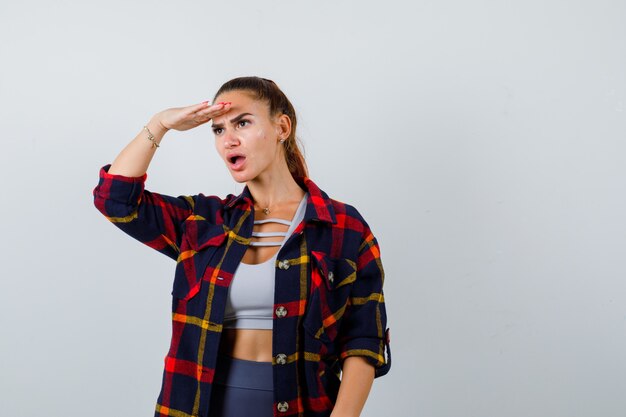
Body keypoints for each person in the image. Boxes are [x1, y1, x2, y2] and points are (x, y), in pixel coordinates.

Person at [92, 76, 391, 417]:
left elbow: (363, 341)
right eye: (218, 130)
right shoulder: (203, 222)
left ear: (282, 127)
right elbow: (115, 200)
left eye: (242, 123)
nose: (228, 140)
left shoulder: (343, 227)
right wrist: (159, 124)